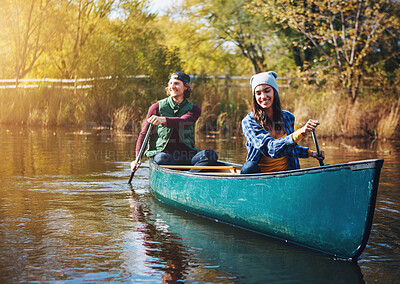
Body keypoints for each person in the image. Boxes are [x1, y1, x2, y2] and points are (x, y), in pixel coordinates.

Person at [131, 71, 218, 172]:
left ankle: (191, 177)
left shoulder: (194, 109)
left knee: (210, 155)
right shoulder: (156, 107)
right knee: (161, 158)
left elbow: (184, 122)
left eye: (176, 83)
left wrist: (163, 120)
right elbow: (144, 133)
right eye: (170, 83)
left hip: (185, 155)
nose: (172, 87)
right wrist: (137, 158)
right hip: (164, 155)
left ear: (186, 87)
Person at [241, 71, 325, 174]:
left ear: (274, 92)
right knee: (248, 167)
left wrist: (312, 154)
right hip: (260, 176)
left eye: (267, 91)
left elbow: (289, 147)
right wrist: (300, 132)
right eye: (258, 93)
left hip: (287, 173)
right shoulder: (249, 122)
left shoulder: (288, 117)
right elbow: (270, 149)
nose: (263, 96)